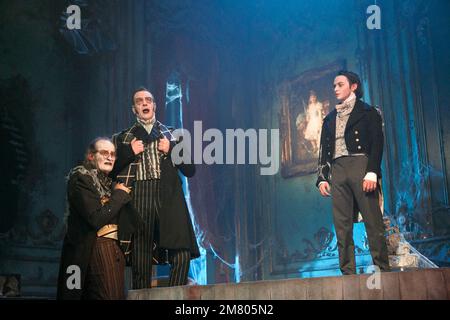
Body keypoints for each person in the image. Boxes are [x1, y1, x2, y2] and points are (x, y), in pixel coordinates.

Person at [111, 87, 199, 289]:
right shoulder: (122, 138)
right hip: (139, 195)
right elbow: (110, 171)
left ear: (154, 106)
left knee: (182, 252)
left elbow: (190, 169)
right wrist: (129, 152)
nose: (144, 103)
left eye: (148, 100)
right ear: (134, 109)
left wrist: (172, 149)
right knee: (141, 255)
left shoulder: (173, 135)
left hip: (168, 195)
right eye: (139, 101)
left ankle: (174, 296)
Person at [316, 71, 390, 275]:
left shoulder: (369, 112)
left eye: (340, 84)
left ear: (354, 86)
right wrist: (322, 177)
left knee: (372, 221)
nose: (336, 89)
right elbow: (324, 150)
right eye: (334, 86)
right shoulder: (329, 118)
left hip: (361, 166)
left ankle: (382, 269)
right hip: (338, 170)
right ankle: (347, 273)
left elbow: (377, 143)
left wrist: (372, 171)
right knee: (341, 224)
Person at [57, 137, 141, 299]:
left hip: (111, 249)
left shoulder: (109, 183)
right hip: (96, 248)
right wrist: (120, 194)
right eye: (104, 153)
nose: (110, 157)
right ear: (90, 156)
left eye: (113, 154)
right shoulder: (81, 178)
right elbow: (96, 218)